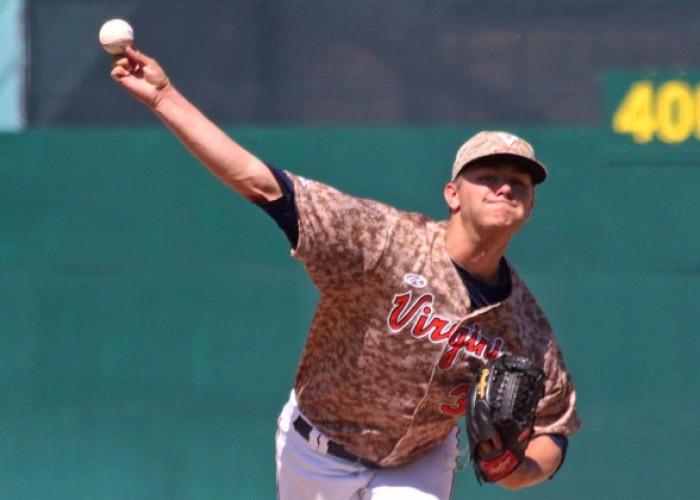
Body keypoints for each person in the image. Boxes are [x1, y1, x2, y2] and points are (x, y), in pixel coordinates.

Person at [109, 44, 581, 499]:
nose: (504, 187)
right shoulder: (386, 242)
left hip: (418, 462)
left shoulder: (524, 325)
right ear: (453, 195)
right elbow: (262, 184)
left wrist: (516, 470)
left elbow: (555, 427)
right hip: (317, 451)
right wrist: (164, 97)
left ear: (531, 204)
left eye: (518, 182)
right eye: (487, 176)